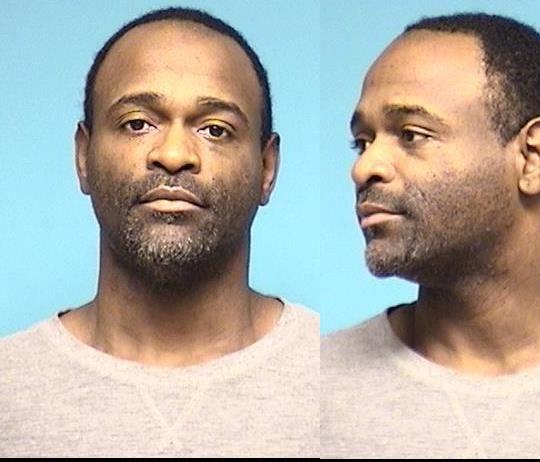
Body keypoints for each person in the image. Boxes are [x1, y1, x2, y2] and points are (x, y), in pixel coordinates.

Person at [0, 7, 318, 457]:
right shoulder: (9, 390)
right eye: (137, 124)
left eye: (215, 129)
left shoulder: (335, 378)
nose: (173, 154)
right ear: (84, 157)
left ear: (267, 168)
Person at [322, 12, 540, 458]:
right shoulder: (316, 390)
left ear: (532, 158)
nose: (364, 168)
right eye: (362, 142)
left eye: (411, 135)